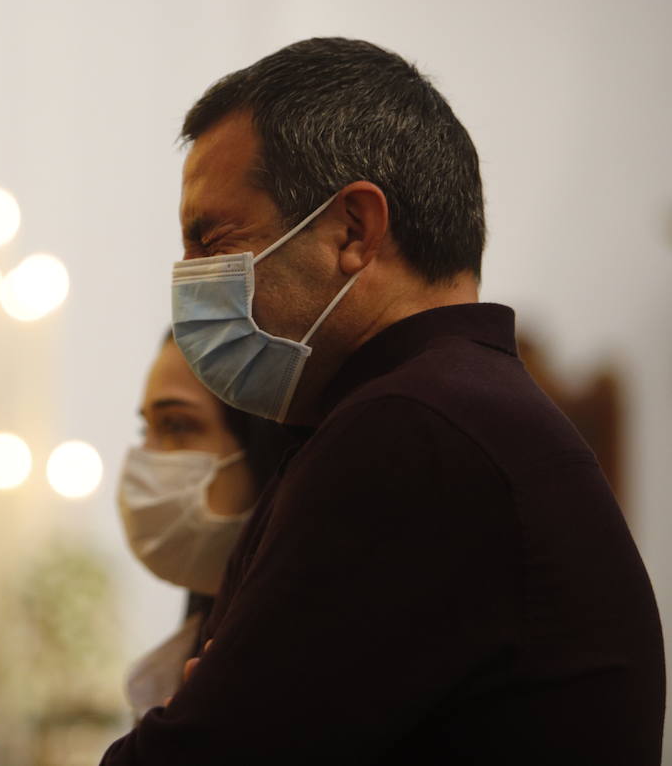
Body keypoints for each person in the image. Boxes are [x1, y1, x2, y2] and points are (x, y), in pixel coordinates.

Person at [101, 38, 664, 764]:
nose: (189, 279)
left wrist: (202, 702)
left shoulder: (410, 433)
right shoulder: (456, 409)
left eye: (213, 240)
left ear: (353, 232)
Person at [118, 331, 303, 715]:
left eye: (177, 425)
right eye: (146, 428)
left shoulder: (302, 670)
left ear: (263, 442)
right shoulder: (192, 652)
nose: (146, 456)